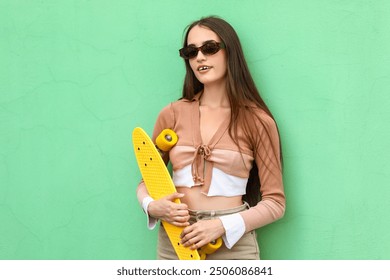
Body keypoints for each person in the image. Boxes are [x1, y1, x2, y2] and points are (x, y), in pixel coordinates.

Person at [136, 16, 285, 260]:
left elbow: (275, 203)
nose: (200, 58)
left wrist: (221, 226)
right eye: (191, 52)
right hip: (176, 241)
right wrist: (152, 206)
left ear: (230, 51)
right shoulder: (171, 114)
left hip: (233, 248)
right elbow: (146, 181)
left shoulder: (258, 122)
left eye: (210, 48)